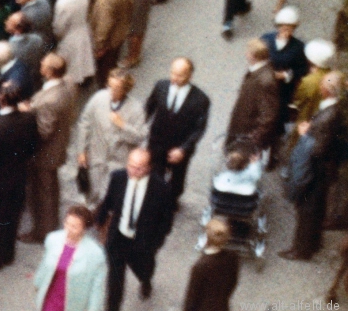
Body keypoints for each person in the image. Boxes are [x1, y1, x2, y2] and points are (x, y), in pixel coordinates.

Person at [95, 149, 173, 311]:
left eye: (139, 168)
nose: (133, 171)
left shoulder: (161, 188)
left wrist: (155, 243)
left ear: (149, 168)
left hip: (142, 242)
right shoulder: (118, 177)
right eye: (131, 166)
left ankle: (146, 281)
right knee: (114, 284)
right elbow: (109, 200)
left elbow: (166, 221)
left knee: (143, 270)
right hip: (118, 238)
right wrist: (99, 220)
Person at [0, 84, 39, 269]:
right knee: (12, 217)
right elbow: (33, 146)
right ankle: (8, 253)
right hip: (18, 175)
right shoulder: (29, 119)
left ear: (1, 100)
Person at [281, 73, 344, 261]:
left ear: (325, 90)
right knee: (315, 209)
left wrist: (305, 134)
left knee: (307, 210)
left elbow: (317, 150)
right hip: (323, 169)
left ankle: (301, 249)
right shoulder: (333, 110)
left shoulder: (328, 116)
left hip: (317, 170)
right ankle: (313, 242)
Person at [22, 54, 77, 245]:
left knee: (43, 192)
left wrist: (27, 112)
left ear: (50, 71)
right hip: (57, 148)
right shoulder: (66, 84)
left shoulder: (51, 100)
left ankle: (43, 231)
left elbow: (43, 131)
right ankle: (49, 224)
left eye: (43, 65)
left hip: (45, 154)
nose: (40, 65)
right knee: (50, 188)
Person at [144, 57, 210, 206]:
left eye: (179, 75)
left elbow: (199, 128)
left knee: (177, 178)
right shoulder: (161, 86)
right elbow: (149, 108)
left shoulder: (201, 99)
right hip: (157, 141)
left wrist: (183, 149)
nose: (174, 78)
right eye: (172, 73)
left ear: (189, 76)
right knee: (154, 173)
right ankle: (153, 200)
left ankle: (172, 201)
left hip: (180, 145)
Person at [76, 69, 147, 206]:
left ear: (126, 89)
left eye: (117, 88)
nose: (111, 91)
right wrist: (81, 150)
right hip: (96, 155)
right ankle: (89, 212)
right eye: (109, 86)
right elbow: (84, 123)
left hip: (118, 161)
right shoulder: (98, 98)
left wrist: (123, 125)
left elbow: (140, 137)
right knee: (91, 190)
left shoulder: (136, 109)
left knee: (111, 194)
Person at [33, 205, 107, 311]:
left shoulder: (95, 253)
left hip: (75, 303)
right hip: (51, 298)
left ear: (84, 228)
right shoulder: (53, 239)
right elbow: (45, 264)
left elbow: (97, 284)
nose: (68, 229)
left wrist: (93, 308)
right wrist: (38, 282)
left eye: (74, 226)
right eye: (67, 223)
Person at [225, 39, 281, 158]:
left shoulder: (265, 81)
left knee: (239, 163)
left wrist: (252, 139)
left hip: (247, 134)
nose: (246, 54)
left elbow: (268, 116)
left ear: (254, 56)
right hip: (242, 127)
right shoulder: (258, 69)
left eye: (248, 52)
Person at [180, 219, 239, 311]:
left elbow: (192, 294)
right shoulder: (232, 257)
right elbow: (233, 282)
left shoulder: (200, 266)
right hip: (221, 309)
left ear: (207, 239)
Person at [90, 0, 133, 86]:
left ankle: (105, 88)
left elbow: (104, 25)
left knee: (104, 70)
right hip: (119, 32)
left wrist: (99, 47)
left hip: (109, 41)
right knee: (112, 63)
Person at [51, 0, 95, 85]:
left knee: (73, 65)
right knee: (85, 56)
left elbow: (59, 27)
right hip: (83, 26)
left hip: (70, 35)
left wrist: (57, 36)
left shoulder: (62, 1)